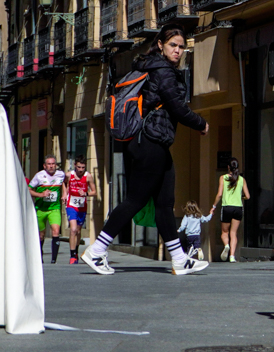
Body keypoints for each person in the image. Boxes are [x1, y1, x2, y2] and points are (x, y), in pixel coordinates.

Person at [81, 26, 211, 275]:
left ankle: (178, 259)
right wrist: (201, 123)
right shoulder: (163, 72)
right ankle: (97, 250)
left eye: (181, 46)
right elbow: (177, 108)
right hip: (149, 142)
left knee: (164, 202)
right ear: (161, 44)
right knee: (136, 200)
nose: (178, 50)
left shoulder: (150, 67)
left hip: (153, 142)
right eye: (173, 45)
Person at [211, 157, 250, 262]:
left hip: (226, 207)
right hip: (238, 208)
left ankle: (226, 245)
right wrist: (241, 197)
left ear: (228, 167)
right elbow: (248, 196)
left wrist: (213, 206)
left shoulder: (223, 178)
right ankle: (232, 256)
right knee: (234, 233)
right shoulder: (242, 179)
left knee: (224, 232)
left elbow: (219, 194)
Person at [28, 156, 65, 263]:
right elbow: (28, 189)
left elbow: (64, 182)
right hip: (41, 209)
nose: (51, 166)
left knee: (56, 231)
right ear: (44, 166)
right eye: (49, 164)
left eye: (53, 164)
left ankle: (54, 260)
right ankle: (40, 256)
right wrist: (40, 194)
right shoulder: (39, 176)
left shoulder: (61, 174)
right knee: (41, 235)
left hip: (55, 208)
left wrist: (65, 193)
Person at [64, 158, 95, 263]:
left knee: (78, 230)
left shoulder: (88, 176)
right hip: (71, 205)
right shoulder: (69, 175)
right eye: (79, 167)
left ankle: (76, 251)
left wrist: (86, 194)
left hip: (82, 206)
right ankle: (72, 255)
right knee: (72, 229)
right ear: (74, 165)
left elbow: (94, 192)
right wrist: (64, 194)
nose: (81, 170)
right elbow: (63, 183)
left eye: (83, 167)